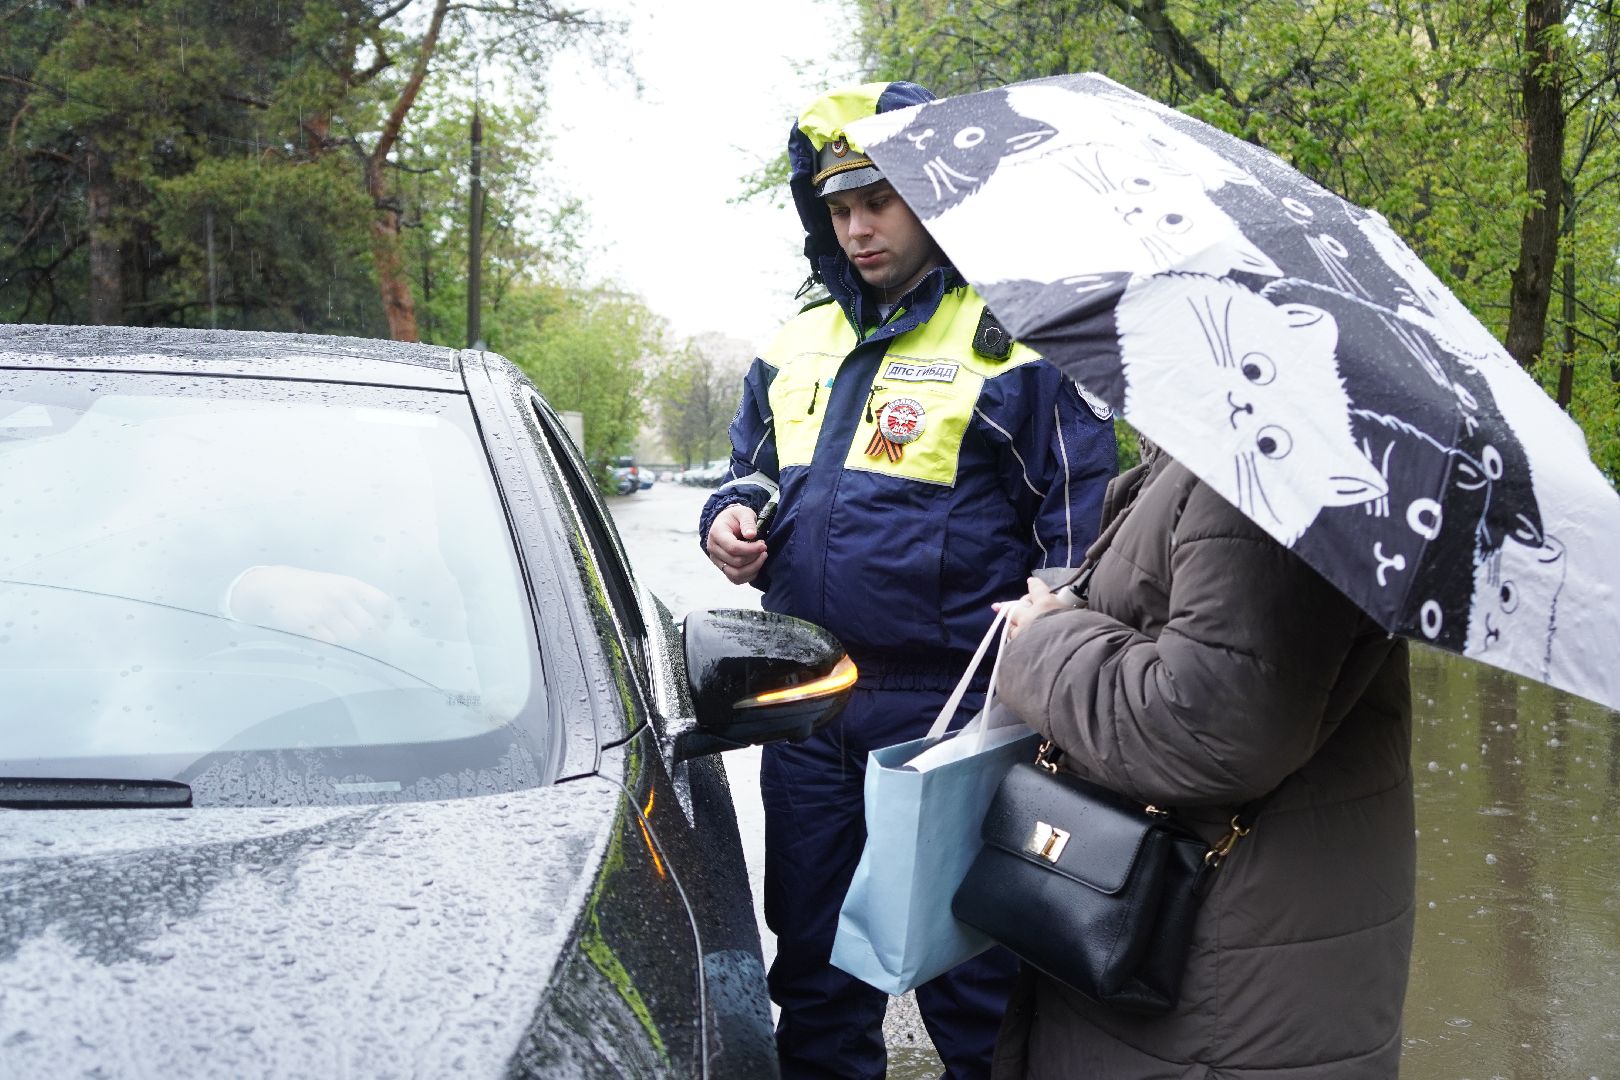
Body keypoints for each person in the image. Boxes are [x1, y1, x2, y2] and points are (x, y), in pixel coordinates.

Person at [700, 81, 1117, 1080]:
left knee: (977, 984)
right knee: (813, 964)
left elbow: (1083, 530)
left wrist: (1057, 609)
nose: (856, 229)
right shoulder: (794, 339)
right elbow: (749, 466)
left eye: (878, 202)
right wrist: (727, 520)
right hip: (804, 703)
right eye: (838, 209)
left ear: (935, 195)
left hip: (956, 711)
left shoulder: (1021, 343)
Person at [991, 436, 1415, 1077]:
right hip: (1231, 932)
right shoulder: (1228, 452)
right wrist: (1079, 600)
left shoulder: (1257, 472)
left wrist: (1046, 637)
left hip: (1217, 963)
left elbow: (1210, 728)